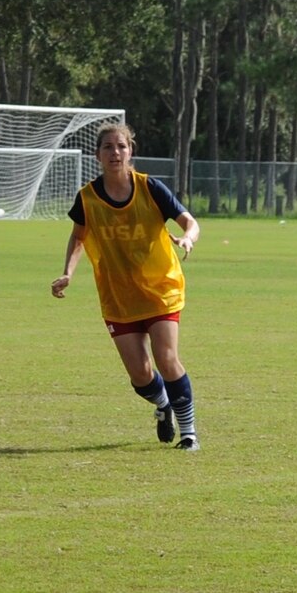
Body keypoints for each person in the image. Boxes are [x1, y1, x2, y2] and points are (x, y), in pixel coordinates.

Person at [50, 122, 203, 451]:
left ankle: (189, 432)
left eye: (121, 146)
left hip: (161, 289)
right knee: (140, 375)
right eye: (108, 147)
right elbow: (79, 236)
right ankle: (164, 405)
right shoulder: (87, 198)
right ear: (97, 155)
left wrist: (188, 238)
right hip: (118, 296)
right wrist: (68, 273)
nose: (115, 152)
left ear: (130, 151)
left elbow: (189, 221)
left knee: (166, 358)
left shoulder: (151, 188)